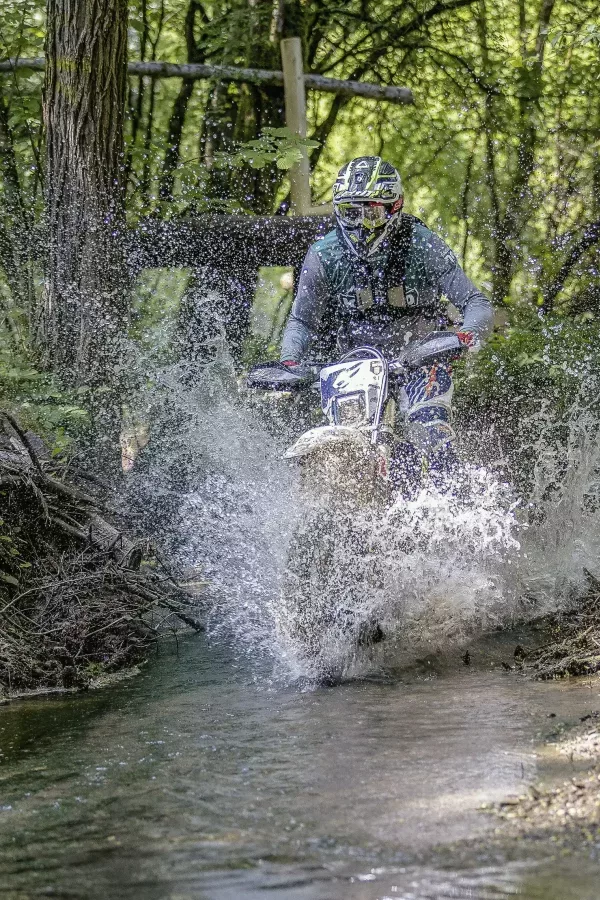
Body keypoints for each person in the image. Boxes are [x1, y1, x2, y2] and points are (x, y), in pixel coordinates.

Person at [279, 156, 493, 462]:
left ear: (395, 206)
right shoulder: (324, 254)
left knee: (431, 432)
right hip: (355, 365)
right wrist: (289, 362)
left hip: (421, 359)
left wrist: (465, 336)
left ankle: (454, 503)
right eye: (350, 212)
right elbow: (301, 321)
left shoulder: (423, 245)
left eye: (371, 211)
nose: (359, 224)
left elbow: (476, 302)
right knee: (344, 447)